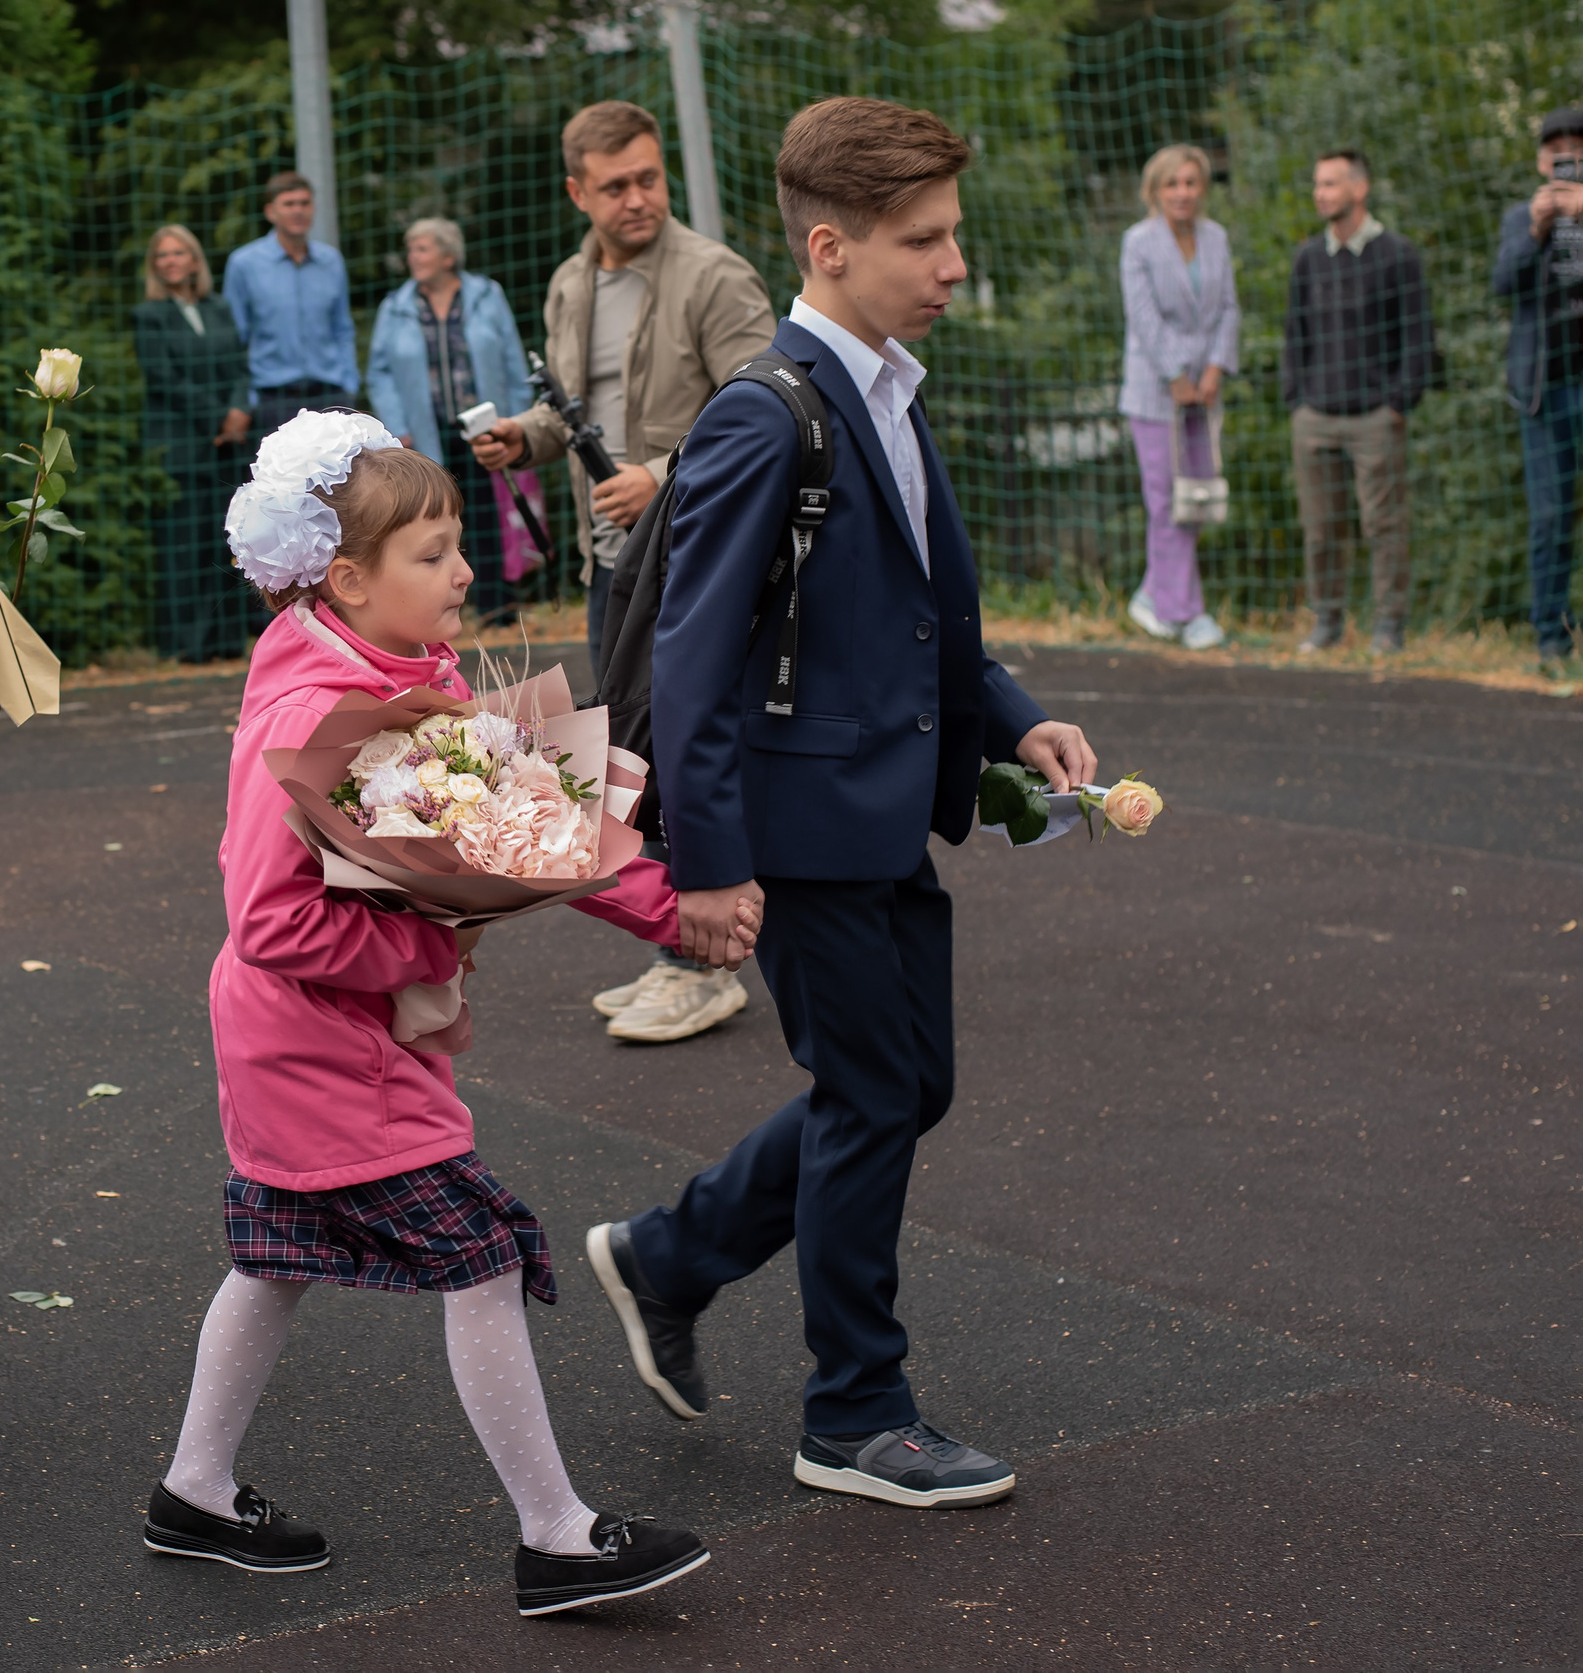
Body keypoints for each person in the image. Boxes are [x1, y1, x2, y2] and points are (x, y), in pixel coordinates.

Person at [581, 98, 1100, 1512]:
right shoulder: (771, 415)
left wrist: (1018, 717)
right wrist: (704, 863)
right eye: (923, 240)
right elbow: (690, 654)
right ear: (830, 246)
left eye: (951, 234)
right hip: (800, 825)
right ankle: (855, 1409)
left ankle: (673, 1253)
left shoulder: (890, 392)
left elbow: (924, 616)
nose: (953, 264)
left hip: (877, 810)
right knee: (875, 1092)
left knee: (907, 1084)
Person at [144, 409, 710, 1618]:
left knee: (273, 1258)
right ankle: (556, 1538)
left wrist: (675, 912)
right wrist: (429, 935)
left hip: (322, 1032)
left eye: (459, 544)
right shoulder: (317, 712)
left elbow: (531, 831)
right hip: (315, 1040)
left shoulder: (398, 675)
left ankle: (193, 1489)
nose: (464, 570)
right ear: (347, 578)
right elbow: (271, 924)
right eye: (432, 553)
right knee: (483, 1256)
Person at [470, 100, 775, 1047]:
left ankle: (700, 964)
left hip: (705, 565)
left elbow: (777, 413)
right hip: (619, 569)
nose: (638, 198)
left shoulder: (716, 279)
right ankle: (686, 948)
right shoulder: (572, 285)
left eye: (649, 177)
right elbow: (580, 409)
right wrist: (527, 437)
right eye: (615, 185)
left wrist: (665, 475)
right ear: (578, 192)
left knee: (679, 761)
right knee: (632, 765)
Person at [1282, 148, 1436, 655]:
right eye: (1317, 184)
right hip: (1316, 416)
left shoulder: (1397, 254)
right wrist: (1296, 401)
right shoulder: (1308, 258)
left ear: (1359, 188)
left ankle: (1389, 626)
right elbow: (1294, 334)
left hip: (1375, 416)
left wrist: (1399, 402)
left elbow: (1419, 336)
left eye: (1330, 183)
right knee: (1321, 529)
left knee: (1384, 526)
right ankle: (1327, 622)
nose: (1320, 193)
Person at [365, 217, 536, 623]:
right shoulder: (396, 306)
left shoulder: (486, 296)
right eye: (411, 249)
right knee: (436, 519)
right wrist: (395, 425)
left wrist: (515, 417)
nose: (413, 257)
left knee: (488, 512)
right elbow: (380, 371)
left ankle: (498, 605)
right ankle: (442, 608)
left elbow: (513, 357)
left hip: (482, 425)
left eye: (422, 249)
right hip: (425, 432)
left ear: (447, 255)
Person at [1119, 144, 1238, 653]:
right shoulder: (1138, 243)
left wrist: (1214, 367)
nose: (1183, 192)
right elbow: (1143, 317)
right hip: (1154, 391)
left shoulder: (1216, 238)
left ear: (1202, 189)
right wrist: (1175, 374)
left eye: (1190, 182)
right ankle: (1185, 612)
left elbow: (1229, 307)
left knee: (1195, 498)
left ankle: (1153, 593)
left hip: (1204, 390)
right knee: (1166, 500)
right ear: (1156, 191)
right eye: (1173, 184)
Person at [134, 225, 256, 662]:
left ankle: (226, 641)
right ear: (155, 265)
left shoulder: (219, 308)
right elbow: (163, 378)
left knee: (225, 543)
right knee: (182, 544)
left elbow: (242, 366)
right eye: (162, 255)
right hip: (181, 446)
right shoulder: (149, 315)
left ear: (194, 259)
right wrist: (219, 416)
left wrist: (240, 410)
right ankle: (186, 645)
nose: (171, 261)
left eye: (179, 252)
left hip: (229, 444)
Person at [1491, 105, 1583, 677]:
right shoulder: (1520, 217)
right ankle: (1551, 637)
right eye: (1556, 147)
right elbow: (1503, 283)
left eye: (1576, 146)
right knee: (1550, 517)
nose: (1565, 155)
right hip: (1544, 393)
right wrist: (1535, 228)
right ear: (1540, 159)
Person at [222, 172, 359, 438]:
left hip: (330, 396)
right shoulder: (244, 264)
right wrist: (246, 400)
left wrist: (349, 385)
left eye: (304, 203)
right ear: (270, 212)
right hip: (272, 398)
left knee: (340, 479)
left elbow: (342, 328)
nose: (298, 211)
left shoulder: (331, 261)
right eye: (289, 204)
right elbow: (235, 338)